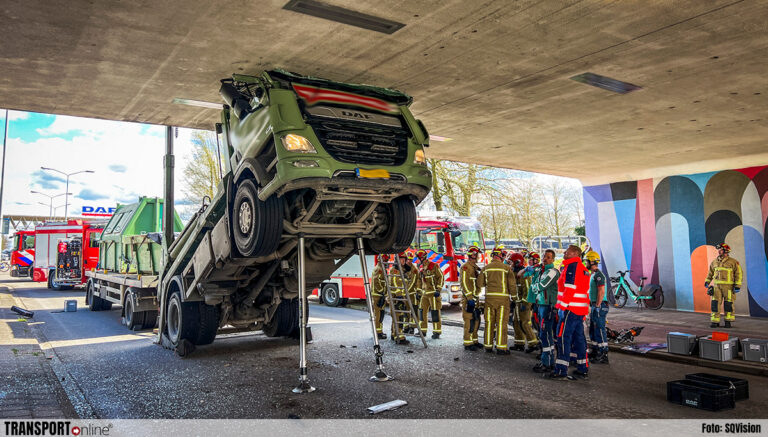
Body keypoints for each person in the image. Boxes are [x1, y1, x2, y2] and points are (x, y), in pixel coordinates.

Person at [546, 245, 591, 381]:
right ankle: (583, 368)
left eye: (567, 251)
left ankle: (561, 370)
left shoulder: (572, 267)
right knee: (579, 339)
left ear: (575, 253)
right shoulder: (583, 268)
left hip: (570, 310)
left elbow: (569, 290)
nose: (564, 253)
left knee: (563, 338)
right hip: (579, 310)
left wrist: (562, 307)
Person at [477, 246, 517, 355]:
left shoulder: (486, 268)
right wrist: (514, 298)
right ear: (500, 256)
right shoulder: (506, 268)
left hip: (489, 299)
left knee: (489, 323)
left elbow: (480, 284)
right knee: (501, 324)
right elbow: (512, 285)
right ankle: (501, 347)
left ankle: (488, 346)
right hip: (503, 301)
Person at [529, 249, 559, 373]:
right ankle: (547, 361)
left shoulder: (552, 272)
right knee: (544, 334)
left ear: (553, 259)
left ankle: (547, 363)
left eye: (548, 257)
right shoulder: (543, 271)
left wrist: (534, 287)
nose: (544, 258)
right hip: (542, 305)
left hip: (547, 307)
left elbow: (540, 286)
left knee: (545, 334)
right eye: (544, 256)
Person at [705, 243, 742, 328]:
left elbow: (738, 274)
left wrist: (737, 286)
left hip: (729, 287)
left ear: (725, 251)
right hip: (717, 287)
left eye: (720, 249)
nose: (719, 251)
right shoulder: (714, 262)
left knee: (728, 304)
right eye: (719, 250)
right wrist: (707, 281)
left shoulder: (733, 262)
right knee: (715, 303)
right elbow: (710, 273)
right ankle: (715, 321)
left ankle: (728, 321)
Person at [510, 252, 538, 352]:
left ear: (517, 262)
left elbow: (527, 289)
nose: (511, 264)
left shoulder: (524, 275)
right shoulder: (514, 273)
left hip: (524, 302)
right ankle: (519, 343)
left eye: (512, 262)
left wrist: (525, 302)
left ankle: (533, 343)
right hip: (517, 302)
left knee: (525, 323)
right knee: (516, 322)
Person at [585, 251, 609, 364]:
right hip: (594, 305)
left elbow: (601, 291)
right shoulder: (593, 274)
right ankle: (595, 350)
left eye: (587, 261)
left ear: (592, 261)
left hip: (599, 305)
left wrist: (598, 305)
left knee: (600, 329)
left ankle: (603, 353)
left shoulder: (599, 275)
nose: (586, 263)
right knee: (593, 329)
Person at [416, 249, 444, 339]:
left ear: (423, 258)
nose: (418, 259)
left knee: (435, 313)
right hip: (424, 294)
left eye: (419, 258)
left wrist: (438, 290)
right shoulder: (420, 267)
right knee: (422, 312)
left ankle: (437, 332)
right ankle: (422, 331)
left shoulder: (433, 266)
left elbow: (441, 277)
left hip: (433, 294)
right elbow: (419, 281)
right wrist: (418, 291)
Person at [389, 252, 414, 345]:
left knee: (396, 316)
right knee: (398, 317)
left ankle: (394, 334)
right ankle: (400, 337)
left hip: (401, 296)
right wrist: (399, 296)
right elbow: (395, 283)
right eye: (401, 259)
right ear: (397, 260)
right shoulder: (395, 270)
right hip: (396, 297)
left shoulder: (402, 269)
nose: (403, 261)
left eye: (404, 259)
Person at [460, 245, 482, 350]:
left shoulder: (475, 267)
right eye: (476, 255)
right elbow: (464, 283)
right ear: (472, 255)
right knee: (469, 321)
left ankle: (475, 340)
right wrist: (469, 298)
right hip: (469, 300)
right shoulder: (465, 267)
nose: (477, 257)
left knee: (476, 320)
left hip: (475, 299)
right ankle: (467, 343)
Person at [371, 256, 388, 339]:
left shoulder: (381, 268)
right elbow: (376, 281)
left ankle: (380, 331)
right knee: (377, 315)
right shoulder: (379, 269)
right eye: (386, 260)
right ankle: (377, 333)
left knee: (381, 315)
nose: (387, 262)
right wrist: (381, 291)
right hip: (377, 296)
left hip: (380, 295)